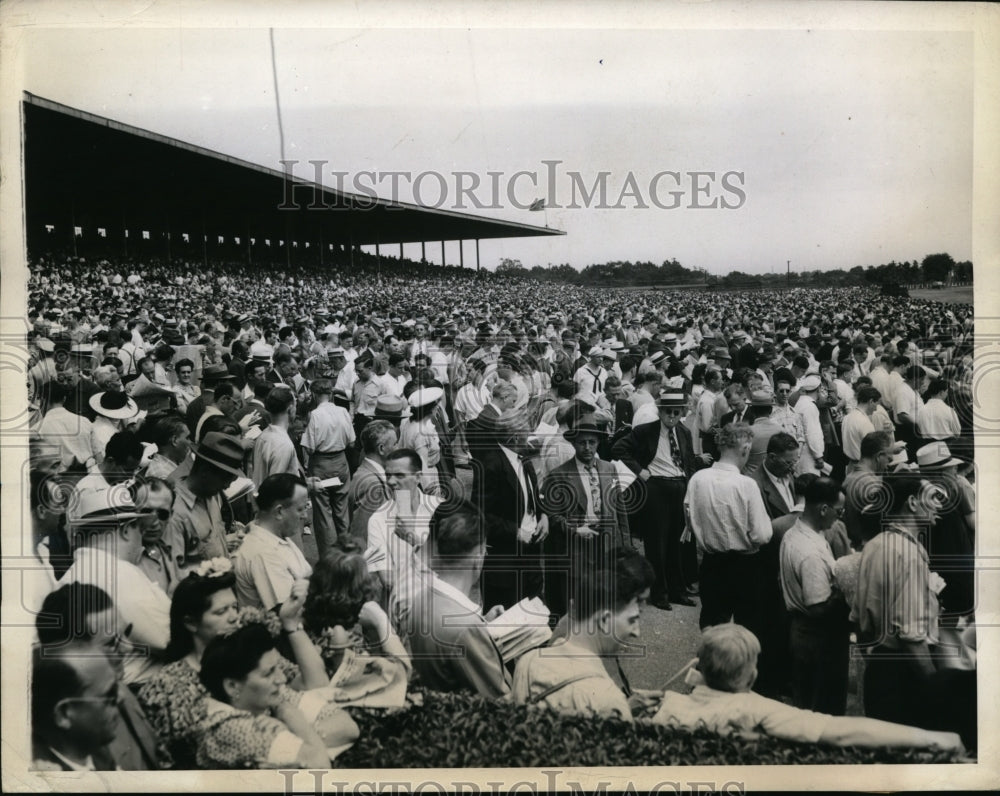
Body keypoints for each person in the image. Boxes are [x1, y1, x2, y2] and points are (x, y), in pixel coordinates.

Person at [654, 623, 963, 753]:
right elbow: (843, 731)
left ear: (698, 667)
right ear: (751, 675)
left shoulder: (668, 706)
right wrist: (937, 738)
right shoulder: (757, 708)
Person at [137, 564, 330, 768]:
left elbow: (316, 685)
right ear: (190, 623)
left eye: (234, 607)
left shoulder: (251, 653)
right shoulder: (169, 687)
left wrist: (290, 623)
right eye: (221, 611)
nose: (233, 617)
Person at [36, 583, 170, 770]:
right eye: (111, 642)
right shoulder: (75, 734)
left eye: (126, 633)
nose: (128, 648)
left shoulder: (120, 688)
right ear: (74, 654)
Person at [512, 549, 657, 721]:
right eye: (633, 618)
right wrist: (623, 712)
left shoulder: (527, 662)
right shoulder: (609, 700)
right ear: (604, 620)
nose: (636, 632)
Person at [854, 474, 949, 727]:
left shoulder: (875, 545)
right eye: (932, 497)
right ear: (912, 502)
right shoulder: (907, 554)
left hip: (879, 669)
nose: (939, 505)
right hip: (905, 675)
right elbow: (911, 638)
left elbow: (858, 620)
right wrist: (935, 687)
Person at [197, 623, 359, 768]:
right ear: (232, 686)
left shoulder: (268, 696)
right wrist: (294, 718)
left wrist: (291, 729)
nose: (281, 678)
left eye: (277, 668)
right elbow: (320, 766)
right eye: (268, 673)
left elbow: (349, 728)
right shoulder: (230, 729)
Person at [58, 487, 169, 685]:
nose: (141, 538)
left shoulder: (72, 574)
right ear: (126, 530)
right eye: (138, 529)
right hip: (137, 692)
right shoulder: (119, 573)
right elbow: (168, 639)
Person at [402, 502, 511, 698]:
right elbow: (500, 698)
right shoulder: (465, 626)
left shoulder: (420, 599)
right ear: (478, 556)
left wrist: (483, 625)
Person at [611, 391, 706, 611]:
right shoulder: (646, 431)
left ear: (681, 412)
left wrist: (690, 487)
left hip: (679, 487)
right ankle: (658, 593)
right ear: (660, 412)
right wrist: (639, 471)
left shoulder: (682, 431)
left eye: (676, 412)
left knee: (677, 543)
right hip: (656, 489)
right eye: (668, 412)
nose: (672, 416)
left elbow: (689, 461)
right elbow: (618, 448)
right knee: (657, 544)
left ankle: (677, 590)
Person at [684, 423, 772, 635]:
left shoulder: (698, 479)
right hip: (745, 565)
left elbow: (689, 521)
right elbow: (762, 534)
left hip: (711, 562)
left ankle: (711, 663)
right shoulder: (746, 484)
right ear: (745, 450)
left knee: (712, 623)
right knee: (746, 627)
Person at [540, 411, 629, 619]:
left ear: (598, 442)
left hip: (606, 542)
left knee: (605, 597)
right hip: (577, 546)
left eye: (592, 442)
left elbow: (620, 508)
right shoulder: (559, 475)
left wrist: (625, 543)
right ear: (574, 444)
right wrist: (574, 529)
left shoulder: (609, 469)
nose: (587, 448)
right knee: (577, 599)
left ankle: (601, 641)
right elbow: (552, 514)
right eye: (582, 443)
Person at [779, 477, 851, 715]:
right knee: (821, 710)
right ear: (823, 509)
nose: (839, 517)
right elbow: (818, 606)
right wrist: (847, 589)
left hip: (803, 633)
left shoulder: (797, 532)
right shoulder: (809, 553)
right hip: (818, 637)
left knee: (807, 703)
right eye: (838, 512)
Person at [302, 542, 412, 677]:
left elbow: (333, 580)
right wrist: (382, 622)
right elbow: (401, 678)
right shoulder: (340, 639)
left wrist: (351, 567)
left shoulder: (313, 624)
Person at [163, 431, 245, 572]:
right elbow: (174, 573)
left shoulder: (211, 497)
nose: (226, 486)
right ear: (205, 472)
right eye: (225, 480)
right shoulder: (175, 511)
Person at [31, 642, 121, 771]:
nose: (121, 698)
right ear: (64, 714)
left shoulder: (96, 751)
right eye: (111, 694)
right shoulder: (43, 777)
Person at [232, 474, 314, 611]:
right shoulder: (264, 554)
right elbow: (288, 612)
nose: (305, 516)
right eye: (300, 509)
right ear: (279, 511)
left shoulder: (275, 537)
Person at [300, 378, 355, 554]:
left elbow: (308, 448)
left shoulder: (315, 415)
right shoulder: (343, 411)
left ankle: (330, 557)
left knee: (323, 513)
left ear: (315, 395)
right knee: (341, 509)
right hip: (341, 462)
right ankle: (347, 551)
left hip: (321, 465)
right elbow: (352, 442)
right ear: (330, 394)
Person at [347, 418, 399, 542]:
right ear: (381, 449)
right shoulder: (371, 484)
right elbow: (361, 536)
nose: (398, 448)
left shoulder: (372, 474)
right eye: (395, 444)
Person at [251, 386, 302, 487]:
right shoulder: (283, 444)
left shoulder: (263, 435)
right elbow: (276, 488)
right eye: (295, 404)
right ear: (290, 409)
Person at [749, 432, 800, 520]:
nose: (793, 468)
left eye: (795, 462)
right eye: (788, 463)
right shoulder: (754, 486)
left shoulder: (786, 472)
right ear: (772, 457)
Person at [840, 385, 881, 471]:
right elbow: (873, 450)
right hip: (863, 467)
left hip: (851, 466)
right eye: (876, 404)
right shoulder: (864, 422)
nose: (876, 409)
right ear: (871, 401)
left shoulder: (847, 417)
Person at [793, 374, 825, 475]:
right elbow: (812, 433)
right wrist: (818, 456)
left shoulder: (800, 403)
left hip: (802, 453)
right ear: (818, 389)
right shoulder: (810, 407)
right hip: (809, 456)